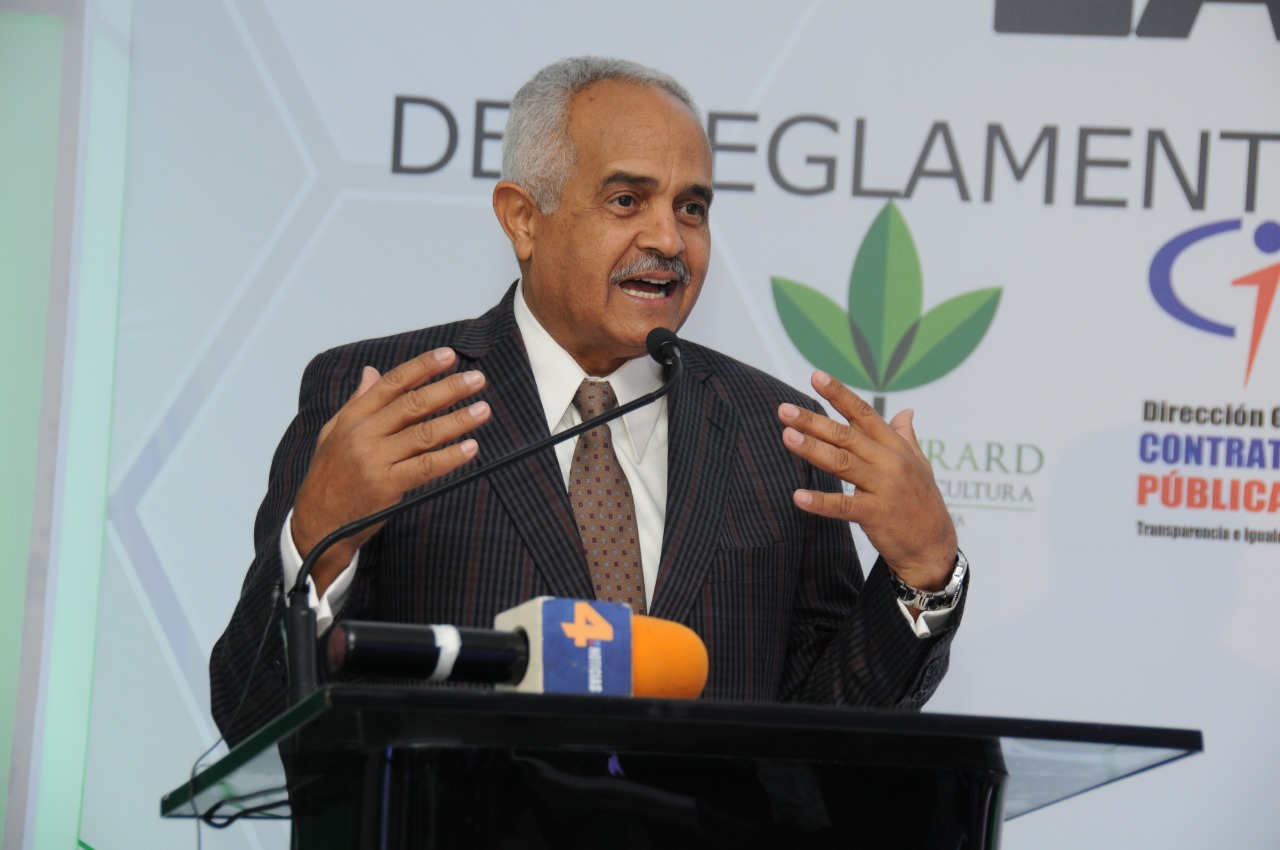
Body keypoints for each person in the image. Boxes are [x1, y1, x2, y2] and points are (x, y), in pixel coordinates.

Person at [210, 56, 966, 747]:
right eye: (627, 200)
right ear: (523, 217)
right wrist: (320, 542)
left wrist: (923, 572)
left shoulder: (776, 436)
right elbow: (252, 716)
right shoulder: (390, 401)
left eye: (692, 208)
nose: (669, 239)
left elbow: (823, 737)